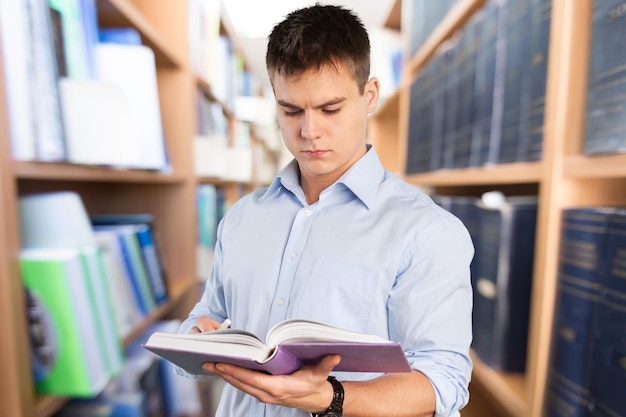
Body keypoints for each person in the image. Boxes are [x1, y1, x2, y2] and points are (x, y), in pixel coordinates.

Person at [178, 4, 474, 417]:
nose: (309, 131)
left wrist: (330, 398)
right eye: (291, 110)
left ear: (369, 95)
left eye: (330, 109)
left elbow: (442, 382)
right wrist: (197, 337)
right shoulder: (241, 218)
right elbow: (207, 315)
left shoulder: (427, 231)